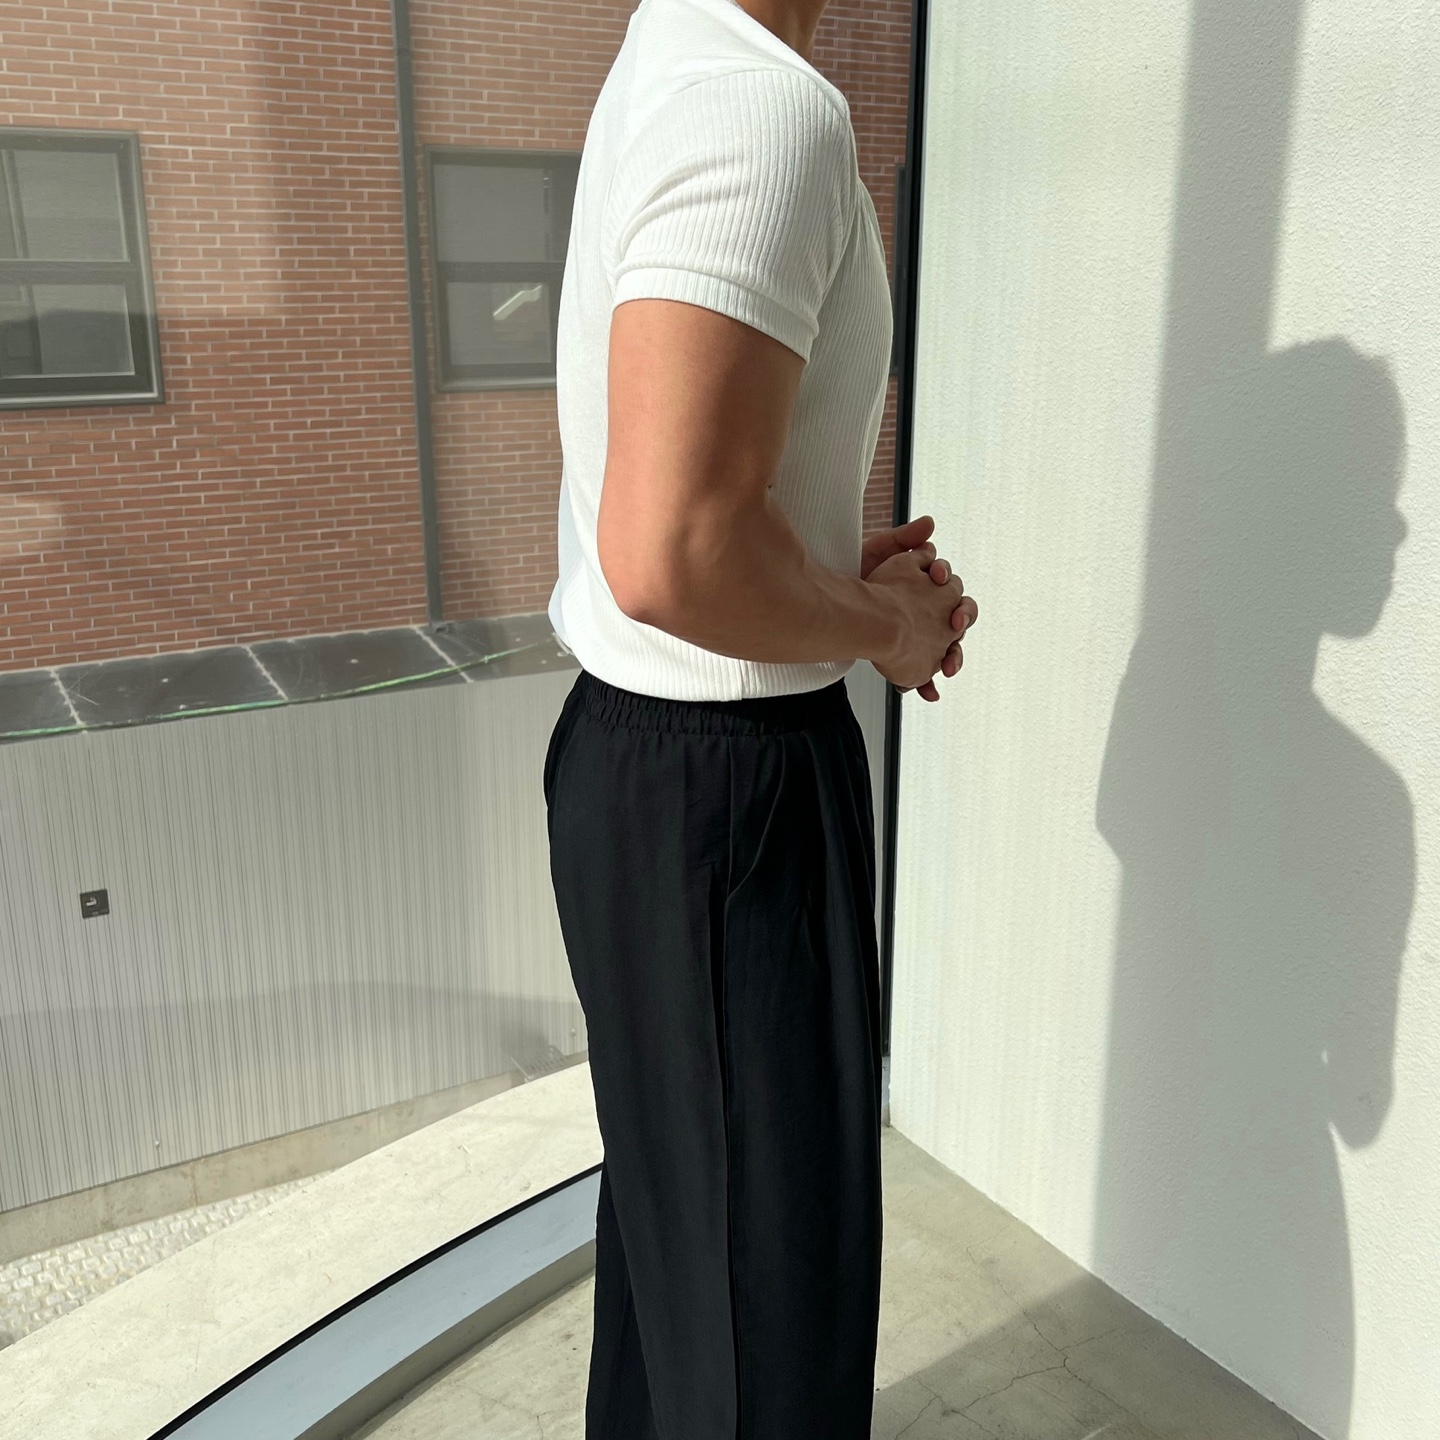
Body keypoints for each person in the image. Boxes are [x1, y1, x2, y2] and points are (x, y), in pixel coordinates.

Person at [542, 0, 977, 1434]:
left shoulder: (671, 58)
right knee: (768, 1323)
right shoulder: (763, 107)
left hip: (651, 773)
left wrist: (820, 573)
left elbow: (688, 504)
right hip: (730, 800)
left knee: (680, 1259)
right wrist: (887, 629)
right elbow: (674, 551)